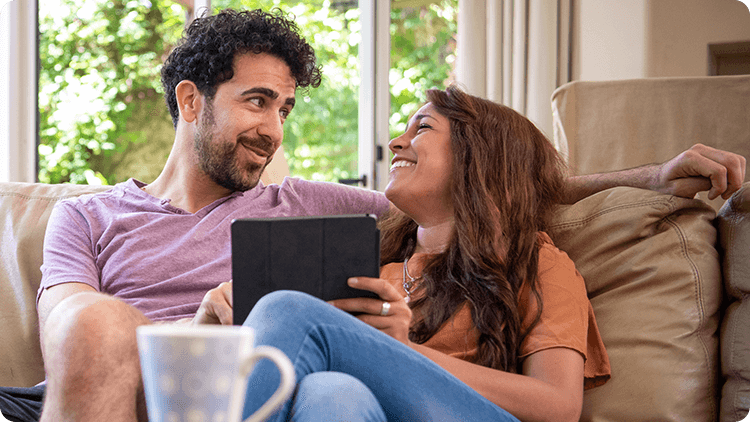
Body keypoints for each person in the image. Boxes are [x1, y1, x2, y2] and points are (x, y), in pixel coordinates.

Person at [0, 7, 744, 422]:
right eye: (258, 102)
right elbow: (77, 337)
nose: (276, 129)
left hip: (256, 389)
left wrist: (653, 173)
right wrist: (195, 340)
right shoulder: (91, 218)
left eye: (286, 108)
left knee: (295, 319)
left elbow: (514, 185)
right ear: (191, 101)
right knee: (332, 394)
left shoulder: (320, 209)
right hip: (149, 391)